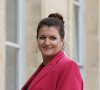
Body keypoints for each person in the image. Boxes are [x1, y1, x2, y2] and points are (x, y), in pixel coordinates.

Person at [21, 13, 83, 90]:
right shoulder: (43, 68)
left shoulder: (68, 66)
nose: (47, 43)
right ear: (37, 39)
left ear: (61, 41)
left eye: (53, 38)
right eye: (42, 37)